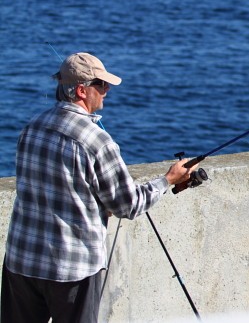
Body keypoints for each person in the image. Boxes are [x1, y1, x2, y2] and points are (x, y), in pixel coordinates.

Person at [2, 52, 197, 322]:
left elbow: (54, 188)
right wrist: (168, 180)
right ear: (82, 91)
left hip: (22, 260)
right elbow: (129, 205)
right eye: (101, 86)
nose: (106, 93)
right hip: (72, 268)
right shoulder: (96, 141)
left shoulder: (31, 128)